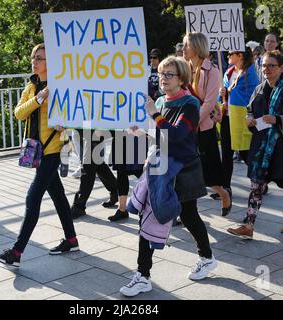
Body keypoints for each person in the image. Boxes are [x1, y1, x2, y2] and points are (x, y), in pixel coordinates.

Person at [119, 56, 217, 297]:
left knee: (189, 215)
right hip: (161, 169)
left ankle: (206, 257)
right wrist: (142, 133)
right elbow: (161, 136)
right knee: (148, 215)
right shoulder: (162, 100)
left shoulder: (190, 104)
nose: (162, 79)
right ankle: (143, 275)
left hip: (183, 170)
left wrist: (154, 114)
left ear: (181, 78)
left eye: (168, 74)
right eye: (161, 74)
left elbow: (176, 135)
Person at [0, 43, 79, 266]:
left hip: (54, 150)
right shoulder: (32, 87)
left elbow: (75, 114)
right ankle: (71, 239)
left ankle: (17, 253)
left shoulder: (61, 86)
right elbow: (19, 113)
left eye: (40, 58)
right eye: (34, 57)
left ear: (51, 63)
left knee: (33, 198)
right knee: (58, 196)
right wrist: (38, 98)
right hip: (38, 151)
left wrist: (66, 125)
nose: (35, 61)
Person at [227, 50, 283, 239]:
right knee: (256, 184)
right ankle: (248, 225)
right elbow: (250, 109)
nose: (266, 69)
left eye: (271, 65)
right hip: (261, 146)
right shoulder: (260, 88)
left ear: (281, 67)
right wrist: (250, 120)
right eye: (263, 65)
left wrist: (278, 119)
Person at [182, 32, 232, 217]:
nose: (183, 48)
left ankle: (223, 193)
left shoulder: (212, 71)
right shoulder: (183, 68)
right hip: (185, 128)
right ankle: (184, 211)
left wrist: (191, 123)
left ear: (196, 47)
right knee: (185, 171)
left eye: (186, 45)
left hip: (202, 129)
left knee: (208, 172)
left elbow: (210, 103)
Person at [218, 47, 260, 195]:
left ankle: (260, 179)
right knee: (226, 153)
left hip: (241, 118)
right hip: (227, 116)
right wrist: (222, 92)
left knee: (244, 152)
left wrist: (228, 91)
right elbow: (225, 92)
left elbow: (252, 96)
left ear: (240, 55)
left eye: (230, 54)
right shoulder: (229, 72)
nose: (228, 56)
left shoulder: (250, 75)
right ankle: (225, 187)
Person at [69, 129, 119, 219]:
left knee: (88, 165)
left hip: (95, 129)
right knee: (97, 163)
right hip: (86, 127)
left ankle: (79, 205)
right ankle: (116, 190)